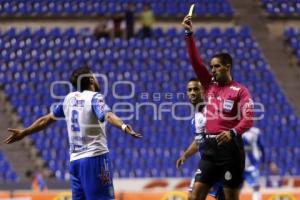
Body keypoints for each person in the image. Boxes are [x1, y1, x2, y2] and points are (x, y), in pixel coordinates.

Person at [5, 67, 142, 200]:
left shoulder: (68, 99)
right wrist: (123, 126)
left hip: (75, 161)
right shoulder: (95, 97)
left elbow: (46, 119)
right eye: (93, 76)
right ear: (90, 80)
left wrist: (25, 132)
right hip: (95, 158)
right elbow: (108, 115)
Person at [182, 15, 254, 200]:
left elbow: (248, 119)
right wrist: (189, 34)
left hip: (230, 150)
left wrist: (233, 132)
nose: (212, 70)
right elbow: (195, 62)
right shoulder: (209, 85)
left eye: (216, 67)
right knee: (195, 196)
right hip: (210, 149)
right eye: (211, 67)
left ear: (227, 67)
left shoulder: (240, 91)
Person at [176, 78, 225, 200]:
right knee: (193, 196)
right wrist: (185, 155)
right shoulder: (198, 115)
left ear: (203, 91)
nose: (192, 92)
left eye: (196, 89)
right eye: (190, 90)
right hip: (210, 163)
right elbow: (200, 140)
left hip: (221, 162)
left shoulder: (211, 111)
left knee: (194, 196)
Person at [242, 127, 264, 200]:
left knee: (256, 186)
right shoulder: (235, 131)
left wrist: (263, 162)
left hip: (253, 165)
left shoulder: (256, 132)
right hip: (239, 165)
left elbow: (261, 147)